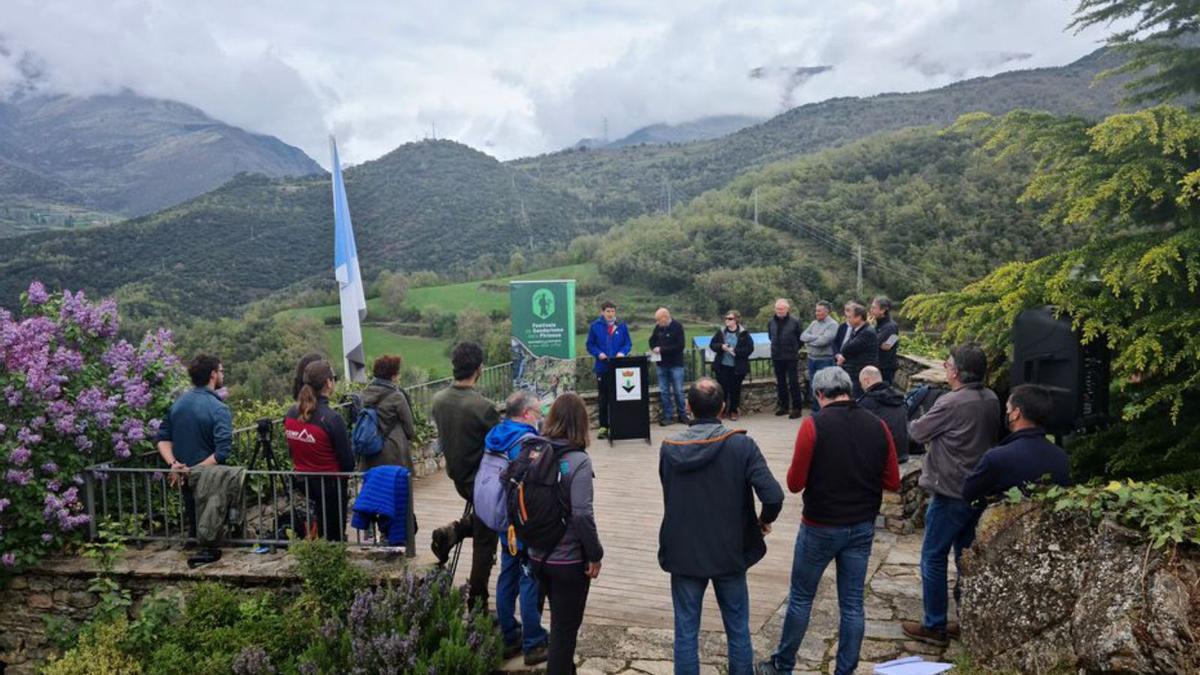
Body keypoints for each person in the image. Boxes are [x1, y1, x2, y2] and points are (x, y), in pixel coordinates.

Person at [758, 367, 900, 675]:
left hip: (820, 525)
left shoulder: (813, 426)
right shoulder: (878, 426)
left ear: (819, 394)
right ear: (849, 389)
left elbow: (795, 483)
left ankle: (783, 666)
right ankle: (844, 670)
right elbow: (892, 480)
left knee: (801, 599)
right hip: (862, 525)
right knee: (851, 605)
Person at [659, 378, 784, 675]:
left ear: (688, 407)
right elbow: (774, 496)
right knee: (738, 628)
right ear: (723, 407)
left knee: (686, 632)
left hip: (683, 549)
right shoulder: (742, 445)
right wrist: (763, 522)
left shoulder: (669, 448)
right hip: (729, 548)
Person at [901, 344, 1001, 646]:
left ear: (955, 371)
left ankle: (934, 625)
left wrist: (914, 410)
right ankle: (967, 617)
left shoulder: (951, 402)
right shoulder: (992, 399)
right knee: (965, 558)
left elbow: (916, 432)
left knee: (932, 557)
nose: (944, 367)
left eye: (947, 364)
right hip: (976, 491)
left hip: (950, 492)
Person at [528, 393, 603, 675]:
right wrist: (595, 553)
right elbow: (582, 514)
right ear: (581, 423)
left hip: (537, 555)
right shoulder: (579, 461)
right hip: (568, 561)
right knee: (564, 631)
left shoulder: (533, 451)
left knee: (559, 624)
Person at [428, 342, 502, 610]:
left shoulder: (438, 400)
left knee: (485, 523)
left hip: (458, 478)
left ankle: (454, 532)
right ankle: (477, 602)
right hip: (483, 483)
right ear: (479, 369)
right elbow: (502, 444)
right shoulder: (483, 407)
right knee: (487, 539)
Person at [483, 391, 549, 666]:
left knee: (507, 573)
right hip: (522, 523)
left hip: (500, 517)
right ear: (526, 414)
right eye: (537, 412)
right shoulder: (527, 442)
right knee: (529, 578)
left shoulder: (496, 435)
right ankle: (533, 643)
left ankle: (509, 635)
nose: (540, 417)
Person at [156, 353, 233, 557]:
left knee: (192, 517)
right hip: (209, 478)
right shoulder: (219, 408)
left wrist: (175, 465)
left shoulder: (178, 404)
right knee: (211, 521)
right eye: (222, 371)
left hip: (183, 476)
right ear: (213, 375)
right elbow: (222, 451)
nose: (223, 375)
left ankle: (192, 545)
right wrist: (195, 470)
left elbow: (163, 439)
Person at [961, 384, 1070, 504]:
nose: (1006, 413)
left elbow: (968, 493)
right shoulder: (1061, 457)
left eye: (1008, 409)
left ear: (1016, 413)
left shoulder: (997, 457)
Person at [284, 359, 354, 541]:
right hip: (331, 485)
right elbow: (348, 461)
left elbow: (291, 450)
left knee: (316, 534)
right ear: (328, 383)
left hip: (305, 482)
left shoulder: (291, 413)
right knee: (333, 536)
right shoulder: (332, 419)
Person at [357, 355, 417, 471]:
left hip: (371, 448)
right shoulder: (397, 396)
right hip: (395, 451)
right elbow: (409, 427)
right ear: (393, 376)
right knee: (396, 485)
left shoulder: (364, 394)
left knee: (376, 486)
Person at [586, 301, 632, 440]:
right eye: (608, 311)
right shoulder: (595, 326)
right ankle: (604, 427)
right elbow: (590, 345)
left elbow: (627, 343)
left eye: (612, 311)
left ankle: (619, 425)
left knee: (619, 397)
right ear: (602, 312)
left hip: (619, 368)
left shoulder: (622, 326)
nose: (610, 314)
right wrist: (598, 353)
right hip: (603, 367)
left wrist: (622, 353)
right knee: (604, 398)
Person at [708, 310, 754, 421]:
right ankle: (721, 411)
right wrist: (721, 347)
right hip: (722, 366)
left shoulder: (744, 334)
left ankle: (733, 411)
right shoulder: (721, 332)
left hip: (737, 367)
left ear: (736, 320)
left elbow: (749, 349)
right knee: (722, 390)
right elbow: (712, 345)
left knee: (735, 389)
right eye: (726, 318)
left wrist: (736, 351)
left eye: (730, 318)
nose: (727, 320)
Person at [859, 366, 909, 463]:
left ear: (866, 381)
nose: (861, 387)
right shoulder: (898, 398)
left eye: (861, 383)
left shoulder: (866, 403)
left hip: (883, 458)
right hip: (902, 453)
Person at [649, 307, 688, 426]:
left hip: (676, 364)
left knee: (678, 391)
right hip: (662, 365)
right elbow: (652, 340)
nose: (657, 323)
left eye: (659, 320)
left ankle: (683, 415)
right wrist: (654, 348)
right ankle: (668, 416)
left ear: (665, 317)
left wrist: (662, 349)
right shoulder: (658, 327)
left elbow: (680, 346)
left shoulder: (677, 327)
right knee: (664, 392)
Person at [768, 298, 805, 419]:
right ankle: (783, 406)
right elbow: (770, 336)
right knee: (781, 383)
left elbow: (801, 339)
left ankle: (797, 408)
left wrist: (793, 349)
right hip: (777, 357)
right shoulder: (771, 322)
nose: (779, 311)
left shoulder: (795, 322)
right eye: (777, 308)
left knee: (793, 383)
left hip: (791, 357)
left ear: (787, 309)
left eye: (781, 308)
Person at [800, 301, 838, 413]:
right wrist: (817, 337)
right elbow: (802, 336)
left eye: (819, 311)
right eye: (816, 310)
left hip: (825, 361)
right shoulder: (814, 323)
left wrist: (810, 340)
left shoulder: (833, 324)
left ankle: (826, 412)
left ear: (826, 312)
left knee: (825, 387)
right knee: (814, 386)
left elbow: (824, 341)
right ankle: (816, 411)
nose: (816, 313)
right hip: (812, 360)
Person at [833, 303, 878, 398]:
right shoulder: (857, 330)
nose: (848, 320)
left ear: (858, 317)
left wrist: (843, 355)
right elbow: (845, 347)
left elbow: (847, 348)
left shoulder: (867, 332)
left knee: (856, 400)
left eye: (850, 317)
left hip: (860, 374)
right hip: (854, 372)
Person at [871, 297, 900, 386]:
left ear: (883, 310)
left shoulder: (891, 326)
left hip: (885, 368)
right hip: (877, 366)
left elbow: (876, 343)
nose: (871, 310)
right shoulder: (878, 325)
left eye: (874, 308)